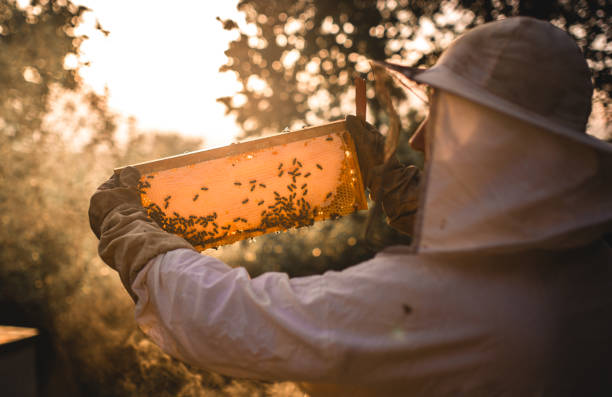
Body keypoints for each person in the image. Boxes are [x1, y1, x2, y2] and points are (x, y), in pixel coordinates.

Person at [89, 17, 612, 396]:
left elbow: (235, 320)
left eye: (442, 115)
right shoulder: (587, 264)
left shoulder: (450, 303)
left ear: (493, 137)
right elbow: (495, 229)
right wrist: (395, 185)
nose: (422, 137)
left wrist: (132, 233)